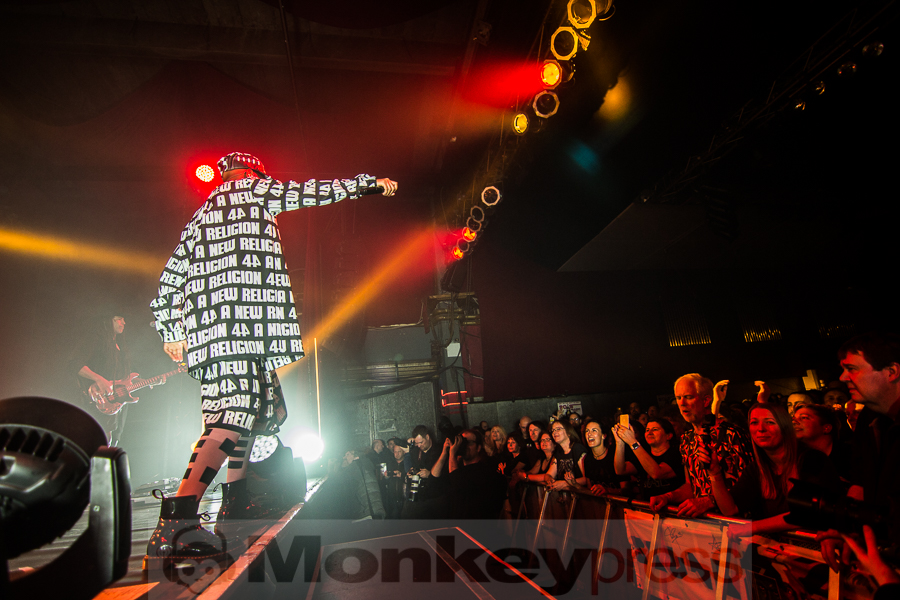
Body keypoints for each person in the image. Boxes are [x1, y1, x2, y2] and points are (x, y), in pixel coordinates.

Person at [145, 151, 397, 569]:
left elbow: (168, 279)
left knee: (245, 415)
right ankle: (175, 523)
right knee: (236, 415)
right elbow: (316, 191)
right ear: (254, 172)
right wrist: (369, 182)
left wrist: (172, 332)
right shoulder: (256, 191)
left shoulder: (201, 215)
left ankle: (235, 503)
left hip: (212, 339)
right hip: (241, 331)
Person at [818, 332, 900, 572]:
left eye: (852, 369)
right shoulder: (869, 419)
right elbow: (861, 481)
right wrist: (845, 526)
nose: (843, 377)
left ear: (891, 372)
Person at [725, 403, 841, 538]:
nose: (761, 429)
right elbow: (730, 509)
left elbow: (807, 513)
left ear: (785, 427)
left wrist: (754, 527)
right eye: (754, 422)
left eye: (769, 422)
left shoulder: (811, 459)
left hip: (816, 546)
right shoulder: (757, 468)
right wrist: (714, 473)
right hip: (779, 549)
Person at [648, 373, 754, 518]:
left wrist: (708, 501)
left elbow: (747, 489)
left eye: (688, 397)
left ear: (706, 400)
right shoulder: (687, 439)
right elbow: (693, 485)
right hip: (705, 527)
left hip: (737, 526)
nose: (682, 403)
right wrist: (668, 497)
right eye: (678, 398)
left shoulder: (732, 435)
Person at [71, 311, 131, 446]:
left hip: (114, 403)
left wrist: (141, 382)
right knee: (99, 441)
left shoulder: (119, 346)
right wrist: (98, 379)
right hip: (94, 400)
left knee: (112, 442)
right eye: (119, 319)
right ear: (108, 320)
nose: (123, 322)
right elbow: (76, 364)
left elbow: (121, 378)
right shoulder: (95, 340)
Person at [613, 418, 684, 500]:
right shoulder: (644, 454)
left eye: (655, 429)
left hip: (671, 509)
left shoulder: (677, 455)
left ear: (668, 436)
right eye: (647, 430)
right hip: (647, 508)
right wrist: (620, 443)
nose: (649, 433)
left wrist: (633, 442)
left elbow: (657, 473)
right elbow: (621, 470)